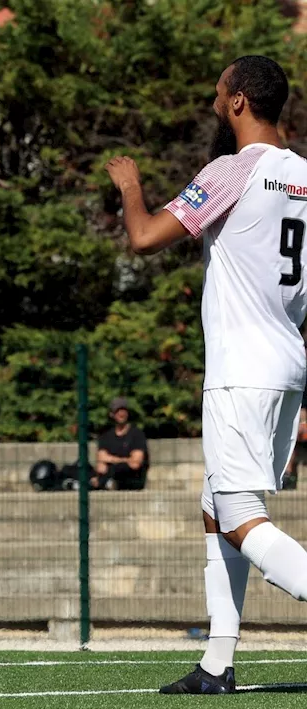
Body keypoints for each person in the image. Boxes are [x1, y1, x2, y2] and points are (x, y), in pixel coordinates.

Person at [106, 56, 307, 695]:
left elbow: (143, 237)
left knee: (241, 514)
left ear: (241, 101)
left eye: (220, 95)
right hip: (286, 361)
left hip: (240, 367)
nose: (214, 103)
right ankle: (217, 663)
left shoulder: (232, 170)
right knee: (214, 510)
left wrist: (130, 184)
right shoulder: (305, 174)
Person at [93, 397, 149, 491]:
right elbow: (101, 460)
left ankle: (105, 482)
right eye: (118, 411)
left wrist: (111, 460)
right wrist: (127, 459)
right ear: (112, 414)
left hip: (132, 479)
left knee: (120, 468)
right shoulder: (106, 436)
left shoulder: (136, 434)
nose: (121, 413)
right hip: (111, 474)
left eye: (124, 410)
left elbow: (135, 464)